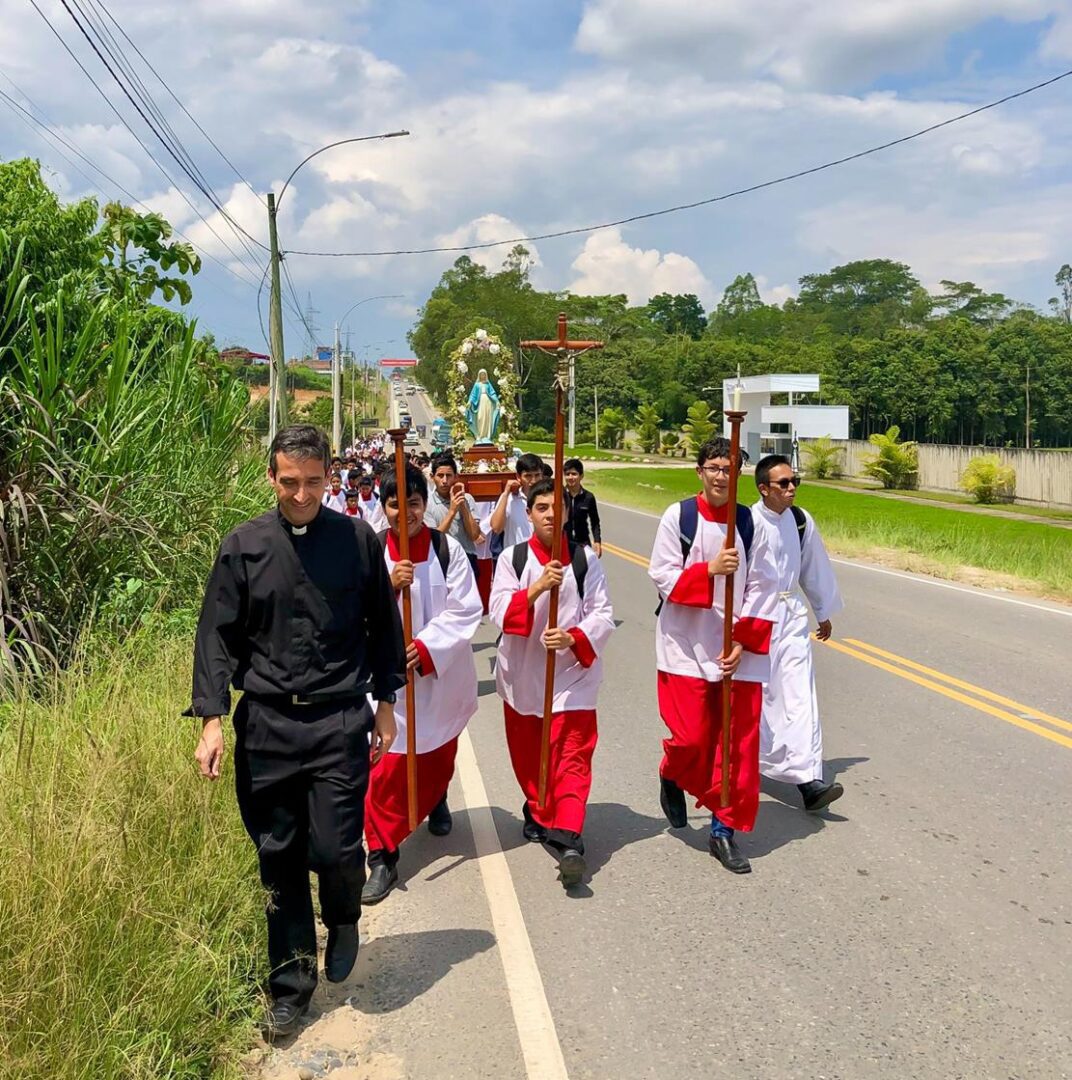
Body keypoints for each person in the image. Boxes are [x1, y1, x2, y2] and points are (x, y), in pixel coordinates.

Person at [188, 424, 404, 1038]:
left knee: (336, 850)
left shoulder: (356, 541)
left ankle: (342, 914)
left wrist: (386, 702)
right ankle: (290, 986)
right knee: (278, 856)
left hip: (338, 720)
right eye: (289, 483)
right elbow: (215, 636)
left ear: (330, 476)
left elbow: (382, 623)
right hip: (268, 725)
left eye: (313, 482)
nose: (302, 495)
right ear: (271, 477)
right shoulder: (243, 546)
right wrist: (211, 720)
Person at [648, 438, 779, 875]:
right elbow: (661, 575)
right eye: (715, 468)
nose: (722, 476)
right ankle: (672, 771)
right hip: (685, 646)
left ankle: (724, 830)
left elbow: (764, 586)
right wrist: (708, 570)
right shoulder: (679, 516)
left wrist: (743, 641)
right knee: (691, 738)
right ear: (700, 471)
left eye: (729, 468)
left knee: (736, 747)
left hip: (736, 651)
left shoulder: (751, 524)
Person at [363, 466, 482, 903]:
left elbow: (466, 608)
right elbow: (348, 612)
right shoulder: (371, 551)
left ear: (424, 504)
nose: (405, 513)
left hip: (437, 680)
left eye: (413, 503)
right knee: (383, 768)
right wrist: (388, 588)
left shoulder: (446, 550)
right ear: (385, 506)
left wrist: (427, 647)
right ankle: (381, 855)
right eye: (396, 504)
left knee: (435, 753)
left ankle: (435, 797)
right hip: (386, 686)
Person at [489, 478, 615, 888]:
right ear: (528, 514)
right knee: (531, 759)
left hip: (572, 676)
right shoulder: (514, 559)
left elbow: (602, 613)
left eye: (556, 507)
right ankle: (539, 809)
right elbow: (497, 611)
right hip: (524, 676)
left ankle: (569, 837)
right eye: (541, 508)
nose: (549, 514)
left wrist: (573, 637)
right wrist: (538, 587)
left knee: (573, 755)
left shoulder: (583, 560)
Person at [752, 455, 844, 813]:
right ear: (764, 488)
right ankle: (747, 760)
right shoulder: (747, 522)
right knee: (758, 698)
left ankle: (808, 780)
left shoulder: (801, 521)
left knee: (799, 697)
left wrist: (822, 611)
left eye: (795, 482)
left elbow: (813, 567)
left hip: (790, 618)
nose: (792, 488)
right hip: (753, 620)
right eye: (784, 483)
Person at [425, 453, 483, 577]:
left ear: (456, 477)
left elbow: (474, 535)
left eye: (449, 475)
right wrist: (452, 511)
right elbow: (434, 538)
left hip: (467, 558)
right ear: (432, 477)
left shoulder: (467, 499)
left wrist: (462, 505)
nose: (444, 481)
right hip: (441, 559)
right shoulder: (427, 503)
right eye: (440, 476)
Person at [489, 452, 544, 548]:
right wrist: (506, 494)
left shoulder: (548, 498)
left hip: (540, 554)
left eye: (537, 475)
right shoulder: (509, 498)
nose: (533, 481)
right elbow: (496, 528)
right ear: (518, 477)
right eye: (528, 476)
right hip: (515, 554)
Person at [564, 458, 602, 557]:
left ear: (581, 476)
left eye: (574, 474)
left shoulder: (588, 497)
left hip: (583, 542)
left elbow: (595, 522)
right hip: (563, 541)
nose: (570, 477)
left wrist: (597, 541)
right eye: (567, 474)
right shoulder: (560, 495)